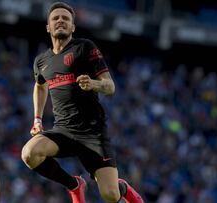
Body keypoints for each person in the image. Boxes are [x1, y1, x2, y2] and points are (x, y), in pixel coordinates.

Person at [21, 2, 144, 203]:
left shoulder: (84, 47)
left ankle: (122, 187)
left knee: (110, 195)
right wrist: (37, 119)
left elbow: (110, 86)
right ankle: (74, 185)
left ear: (73, 27)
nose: (60, 21)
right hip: (63, 131)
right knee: (29, 154)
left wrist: (94, 84)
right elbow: (40, 85)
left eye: (66, 19)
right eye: (56, 18)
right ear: (48, 27)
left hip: (92, 133)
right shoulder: (41, 61)